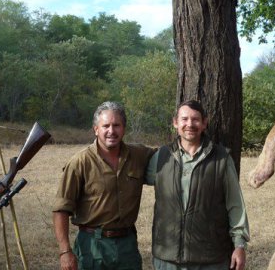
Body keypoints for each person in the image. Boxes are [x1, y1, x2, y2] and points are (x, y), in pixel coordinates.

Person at [146, 100, 250, 270]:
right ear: (175, 123)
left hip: (210, 260)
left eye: (195, 119)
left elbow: (236, 204)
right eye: (184, 119)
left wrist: (239, 245)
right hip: (167, 259)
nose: (189, 124)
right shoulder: (161, 157)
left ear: (204, 123)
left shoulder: (222, 159)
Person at [52, 101, 154, 270]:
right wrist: (65, 252)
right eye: (106, 125)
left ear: (124, 128)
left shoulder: (139, 155)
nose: (111, 131)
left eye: (116, 125)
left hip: (127, 245)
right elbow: (60, 209)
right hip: (92, 245)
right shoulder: (80, 162)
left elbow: (168, 157)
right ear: (96, 129)